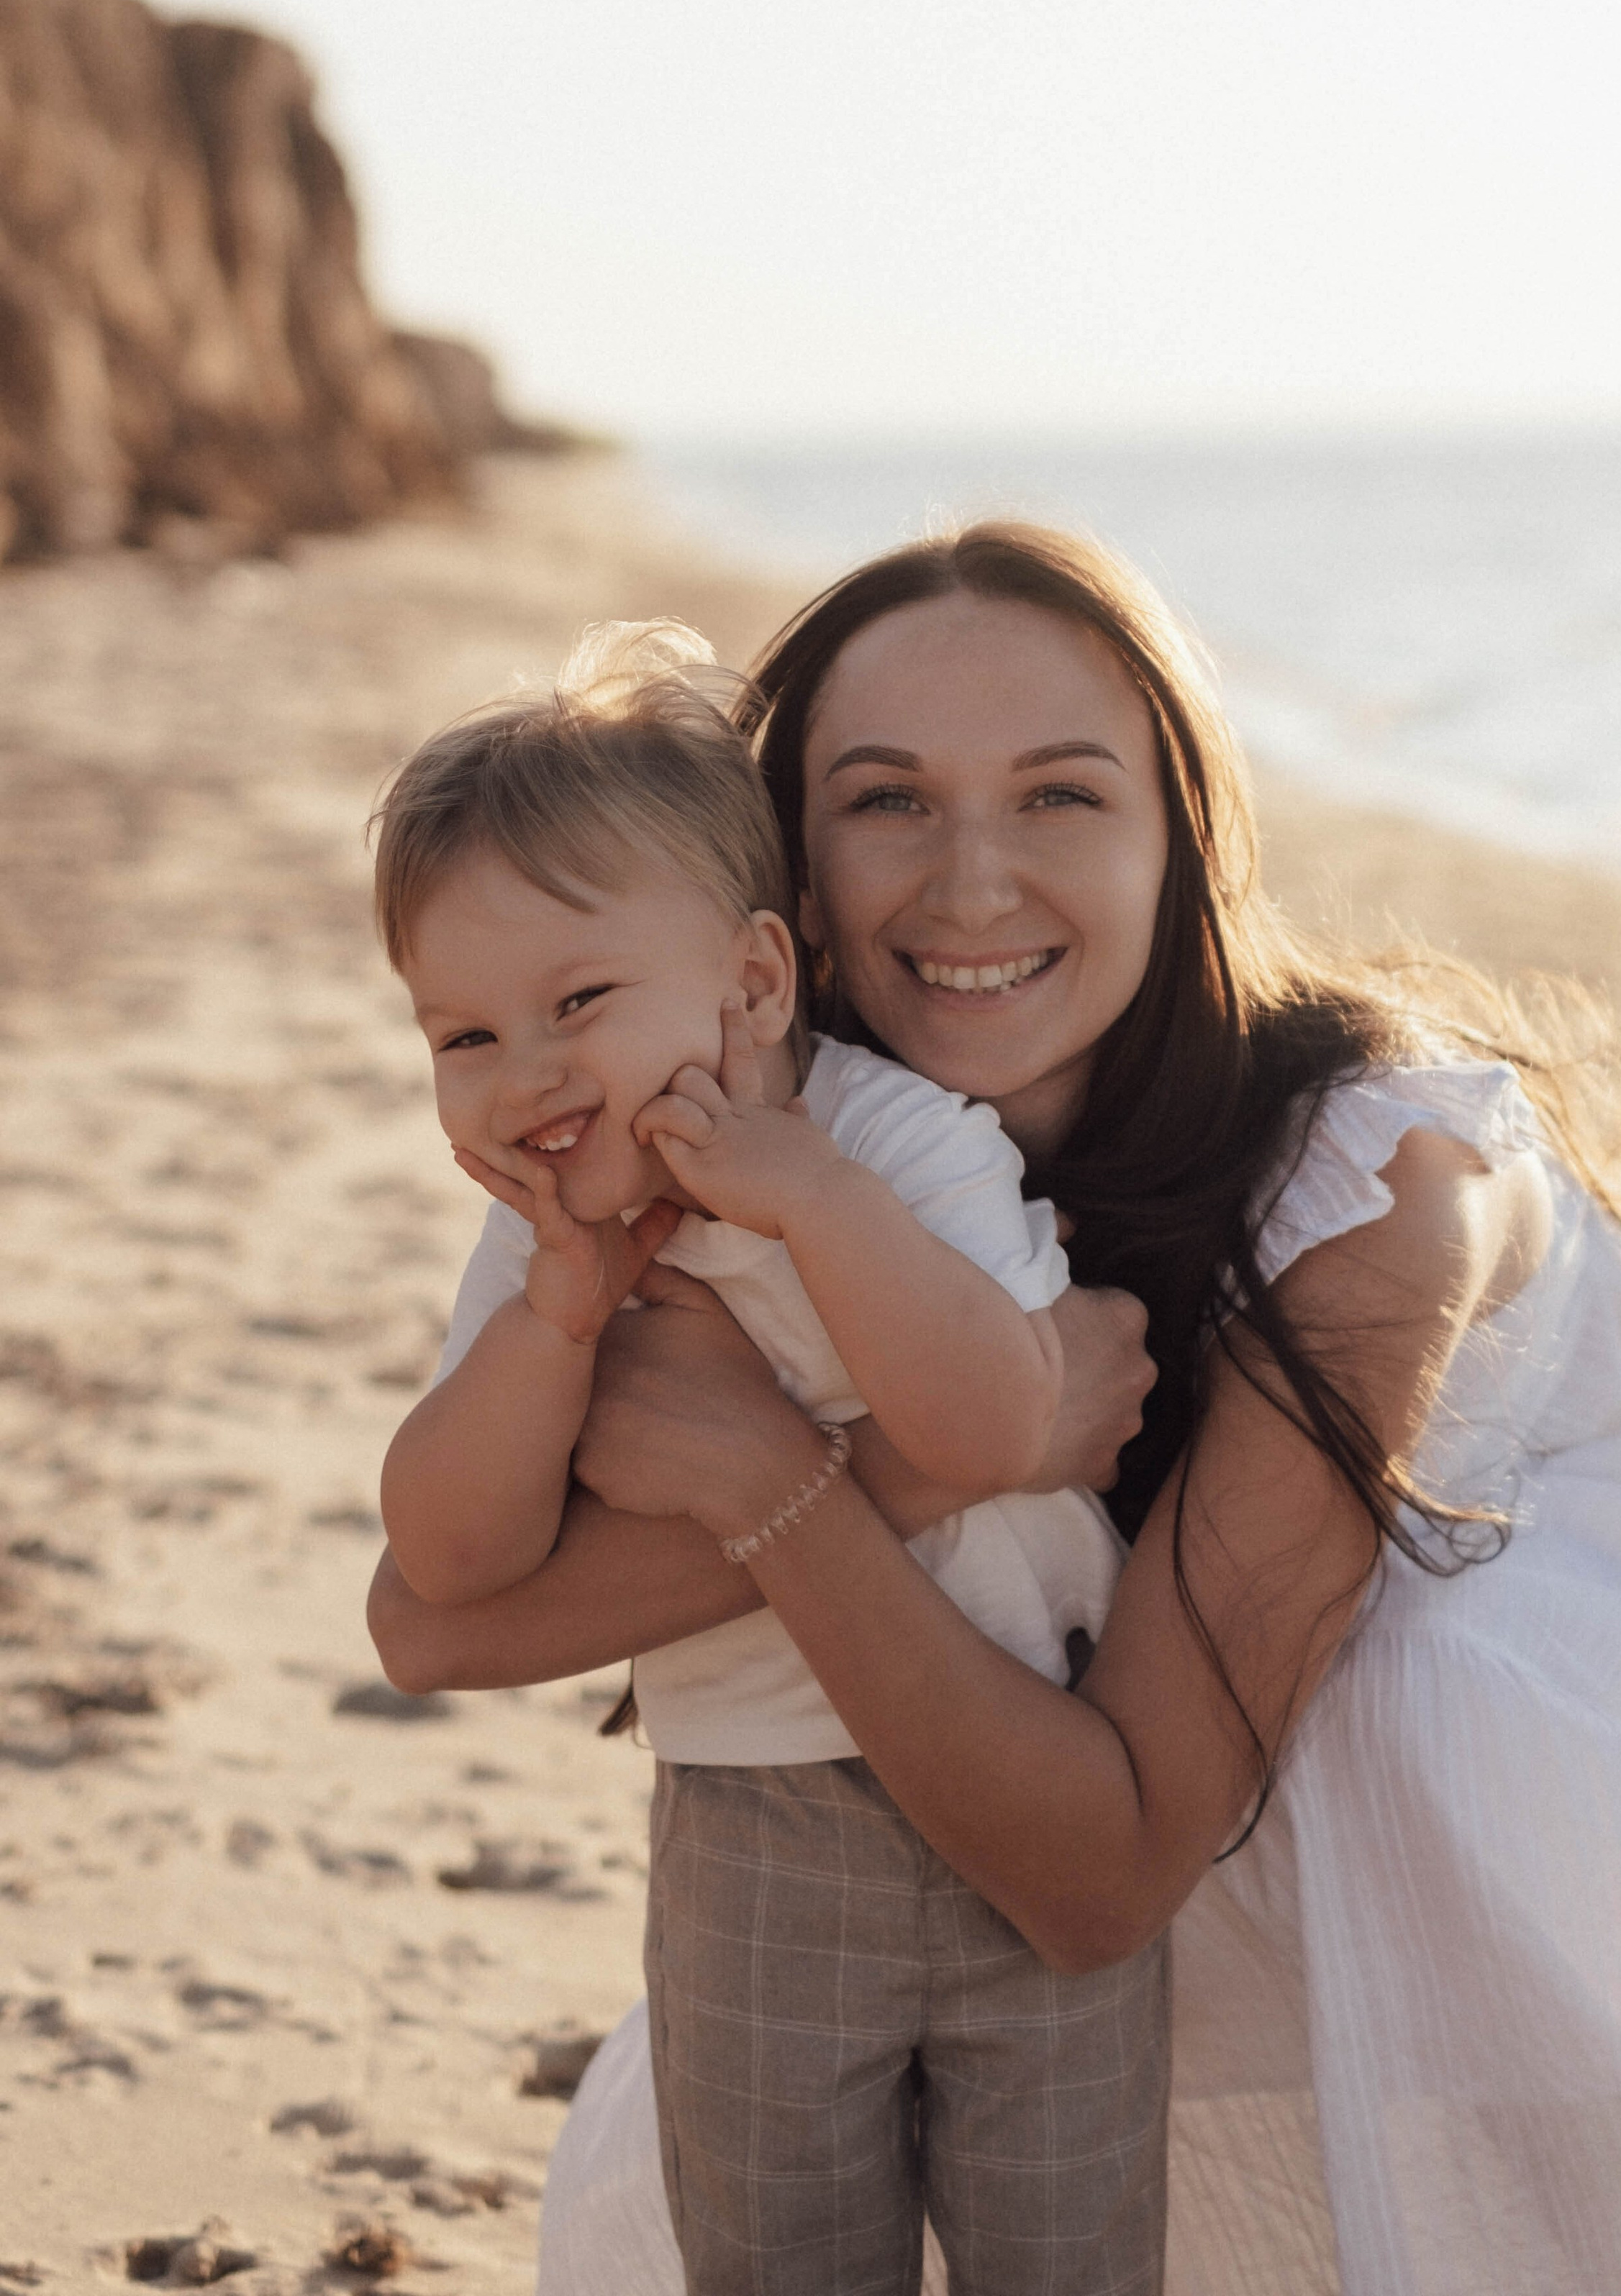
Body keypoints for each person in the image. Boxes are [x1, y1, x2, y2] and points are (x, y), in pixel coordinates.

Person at [370, 524, 1621, 2296]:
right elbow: (430, 1622)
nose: (971, 883)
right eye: (887, 800)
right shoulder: (747, 1140)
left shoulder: (1377, 1188)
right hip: (1028, 1785)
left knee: (1403, 1687)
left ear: (1176, 842)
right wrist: (911, 1466)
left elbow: (1100, 1878)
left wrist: (773, 1476)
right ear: (781, 893)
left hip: (1496, 1788)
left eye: (1060, 796)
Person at [369, 619, 1169, 2296]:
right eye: (463, 1039)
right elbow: (446, 1566)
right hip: (749, 1825)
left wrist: (803, 1194)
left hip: (1016, 1767)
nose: (526, 1079)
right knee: (775, 2248)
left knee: (1064, 2247)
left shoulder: (898, 1143)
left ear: (748, 983)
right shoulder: (546, 1243)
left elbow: (986, 1434)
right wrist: (553, 1326)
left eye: (577, 1003)